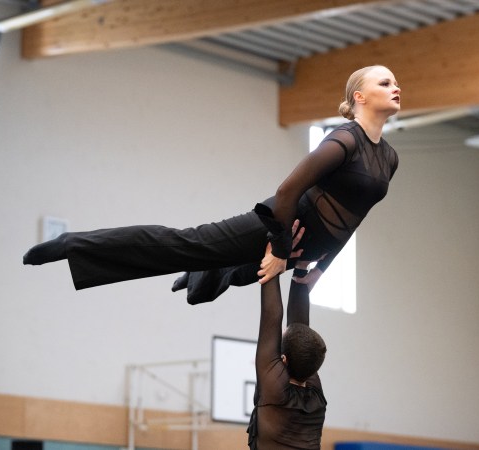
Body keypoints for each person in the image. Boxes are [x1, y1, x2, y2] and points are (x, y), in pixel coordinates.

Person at [23, 65, 400, 296]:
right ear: (360, 96)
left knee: (238, 274)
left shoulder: (388, 158)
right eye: (385, 83)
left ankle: (196, 278)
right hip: (281, 227)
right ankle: (72, 245)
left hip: (307, 245)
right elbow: (288, 191)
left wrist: (320, 269)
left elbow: (355, 219)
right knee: (185, 244)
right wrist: (281, 249)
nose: (395, 87)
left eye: (396, 83)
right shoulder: (345, 140)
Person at [246, 248, 327, 450]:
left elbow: (271, 316)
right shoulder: (315, 395)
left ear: (283, 360)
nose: (281, 332)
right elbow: (299, 328)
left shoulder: (276, 392)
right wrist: (300, 268)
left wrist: (273, 261)